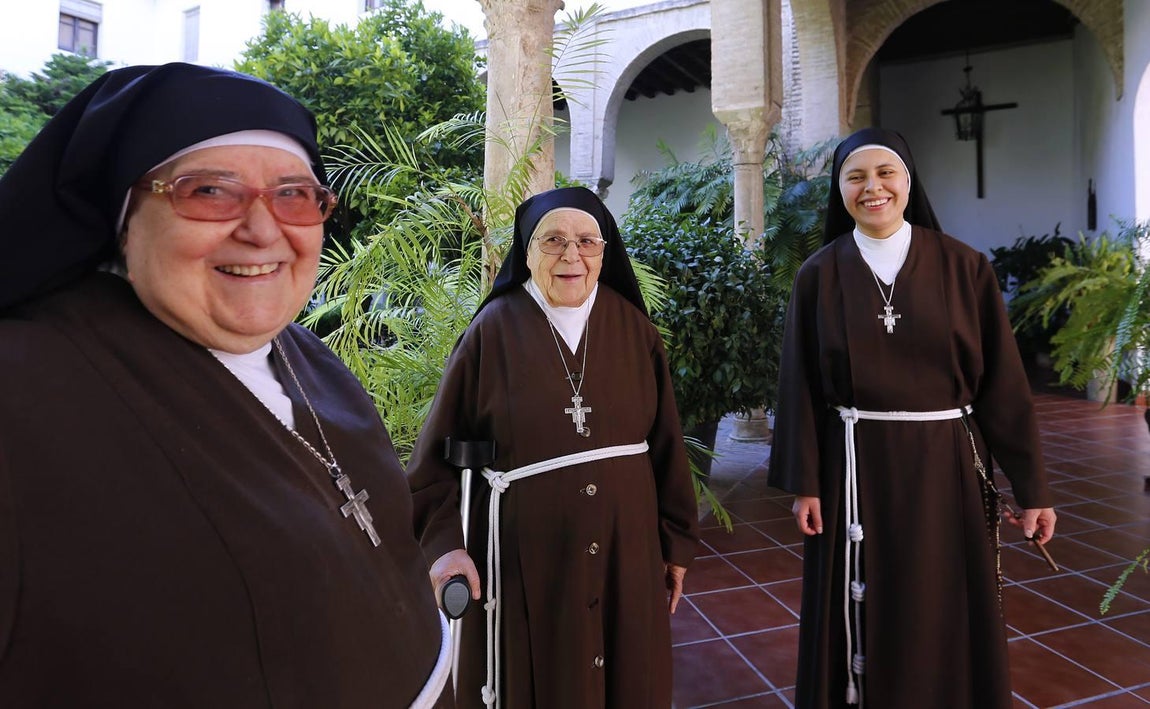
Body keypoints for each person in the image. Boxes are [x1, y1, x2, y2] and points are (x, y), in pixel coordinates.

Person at [0, 63, 452, 708]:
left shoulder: (306, 355)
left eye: (294, 194)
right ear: (124, 217)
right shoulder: (21, 388)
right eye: (211, 192)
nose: (263, 230)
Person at [767, 127, 1057, 709]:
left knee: (941, 596)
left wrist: (1033, 490)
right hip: (852, 463)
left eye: (885, 174)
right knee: (866, 600)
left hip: (944, 461)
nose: (872, 188)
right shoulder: (819, 274)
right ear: (840, 189)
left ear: (907, 181)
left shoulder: (964, 267)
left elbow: (1004, 384)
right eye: (856, 177)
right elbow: (797, 382)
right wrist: (804, 483)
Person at [407, 186, 699, 708]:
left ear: (605, 252)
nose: (572, 255)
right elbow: (432, 462)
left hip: (626, 549)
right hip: (527, 563)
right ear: (526, 249)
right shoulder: (491, 333)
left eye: (588, 241)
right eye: (554, 240)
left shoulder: (632, 327)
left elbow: (666, 444)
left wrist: (676, 541)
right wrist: (445, 545)